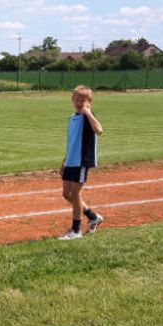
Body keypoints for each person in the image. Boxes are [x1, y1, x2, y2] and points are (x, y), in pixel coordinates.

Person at [58, 85, 104, 240]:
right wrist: (64, 161)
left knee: (76, 193)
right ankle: (92, 217)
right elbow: (72, 141)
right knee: (67, 194)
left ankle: (75, 230)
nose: (79, 102)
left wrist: (88, 112)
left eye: (82, 100)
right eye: (77, 99)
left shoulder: (87, 116)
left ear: (89, 102)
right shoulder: (72, 118)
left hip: (82, 160)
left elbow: (99, 130)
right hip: (71, 160)